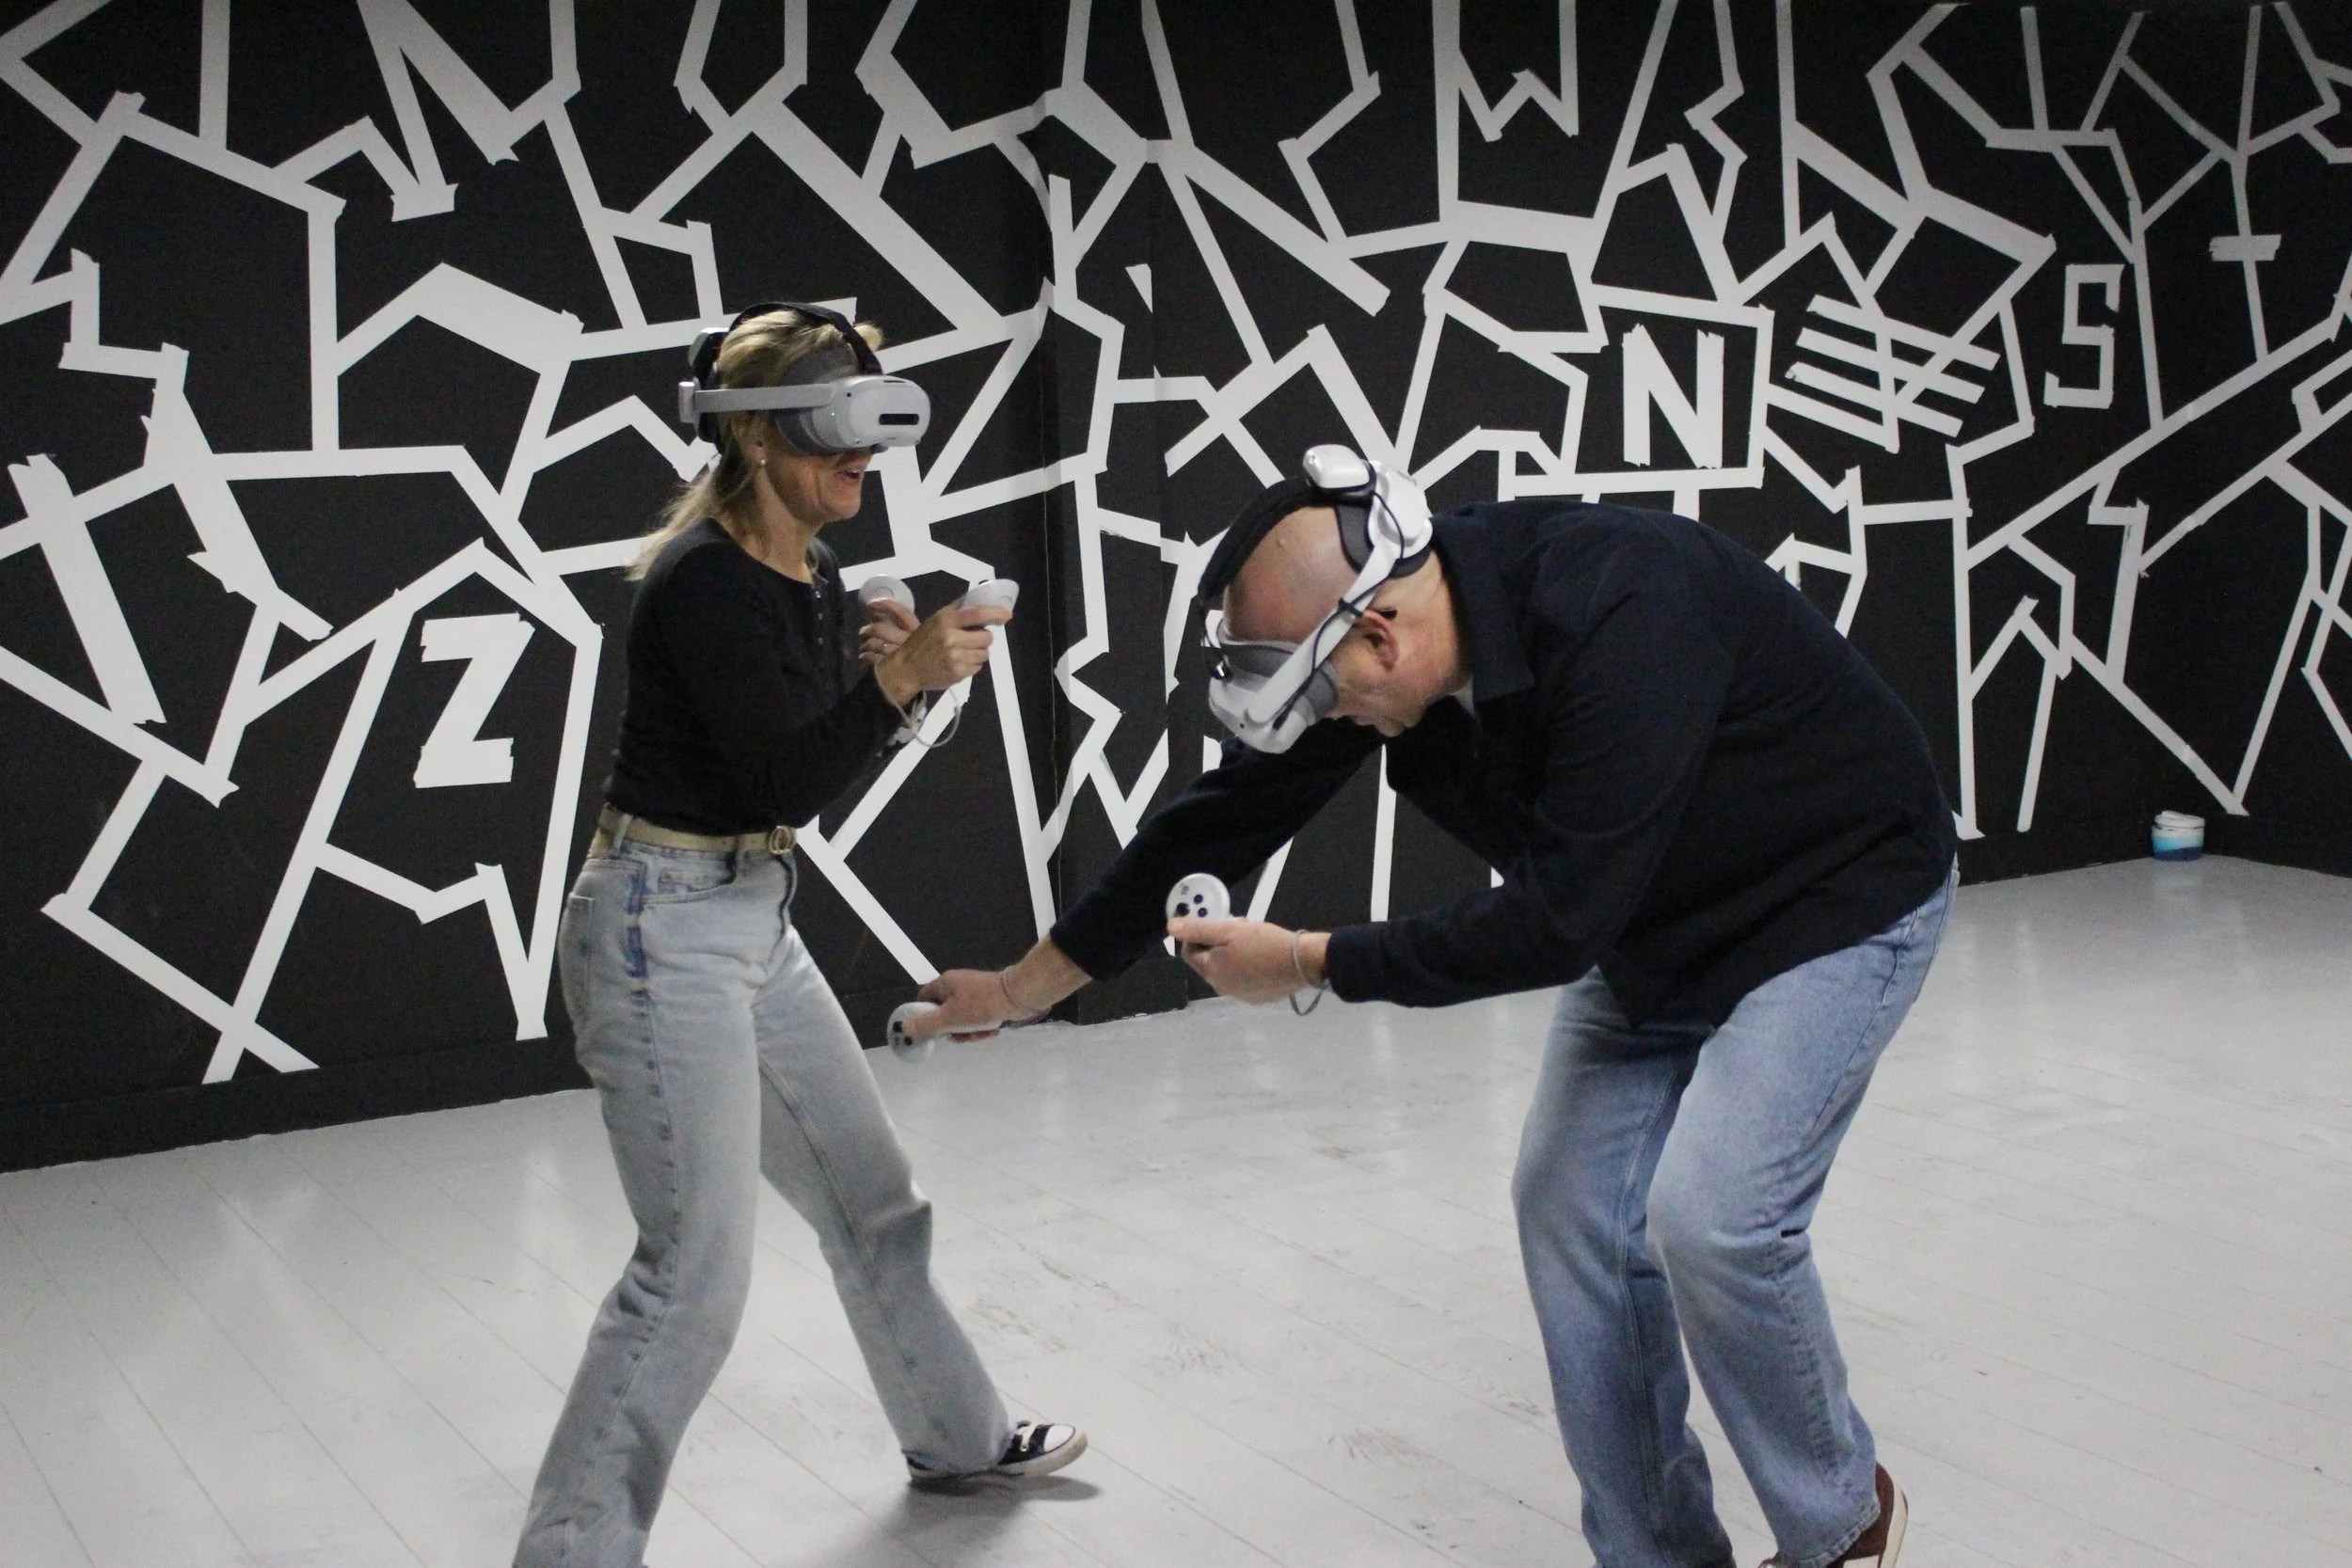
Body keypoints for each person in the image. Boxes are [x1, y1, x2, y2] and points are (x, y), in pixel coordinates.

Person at [912, 448, 1956, 1568]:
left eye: (1333, 694)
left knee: (1712, 1218)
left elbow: (1558, 923)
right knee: (1570, 1211)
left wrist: (1309, 958)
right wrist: (1020, 989)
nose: (1333, 719)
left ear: (1379, 636)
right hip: (1654, 929)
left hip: (1829, 900)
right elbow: (1216, 820)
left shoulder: (1620, 603)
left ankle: (1840, 1519)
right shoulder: (1371, 647)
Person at [516, 304, 1084, 1568]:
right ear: (763, 436)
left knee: (874, 1203)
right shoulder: (706, 578)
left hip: (746, 916)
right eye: (841, 430)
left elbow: (790, 755)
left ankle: (957, 1435)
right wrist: (896, 681)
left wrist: (891, 673)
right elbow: (780, 778)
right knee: (692, 1275)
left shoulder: (806, 570)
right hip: (661, 928)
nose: (864, 461)